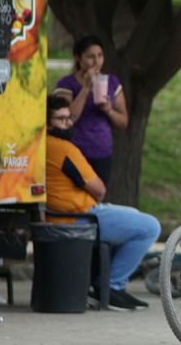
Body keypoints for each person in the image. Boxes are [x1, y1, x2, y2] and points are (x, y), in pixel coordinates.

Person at [45, 95, 159, 312]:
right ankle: (111, 286)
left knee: (132, 214)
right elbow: (99, 189)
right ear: (46, 123)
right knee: (150, 226)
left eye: (69, 118)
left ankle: (105, 283)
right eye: (61, 119)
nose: (68, 123)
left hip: (59, 215)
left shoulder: (37, 146)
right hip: (80, 217)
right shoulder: (62, 148)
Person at [54, 34, 129, 184]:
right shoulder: (67, 84)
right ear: (78, 57)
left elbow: (124, 122)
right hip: (75, 152)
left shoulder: (111, 82)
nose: (96, 61)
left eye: (100, 56)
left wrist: (108, 110)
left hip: (102, 153)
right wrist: (86, 88)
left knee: (97, 202)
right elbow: (67, 120)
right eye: (90, 57)